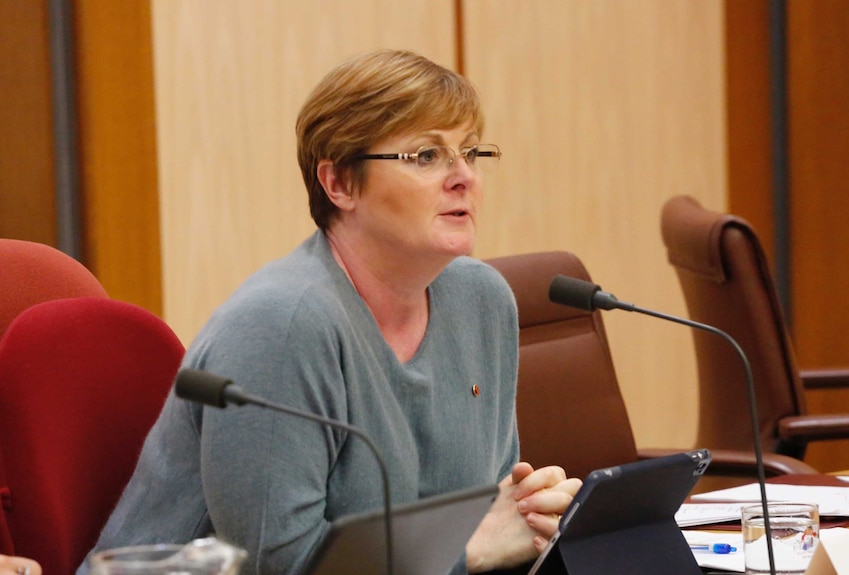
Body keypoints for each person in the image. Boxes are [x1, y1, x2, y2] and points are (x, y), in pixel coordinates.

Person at [78, 48, 581, 575]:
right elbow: (277, 566)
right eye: (426, 156)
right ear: (338, 183)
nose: (464, 178)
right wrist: (473, 548)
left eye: (470, 153)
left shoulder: (482, 300)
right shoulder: (280, 324)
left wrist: (530, 516)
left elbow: (486, 509)